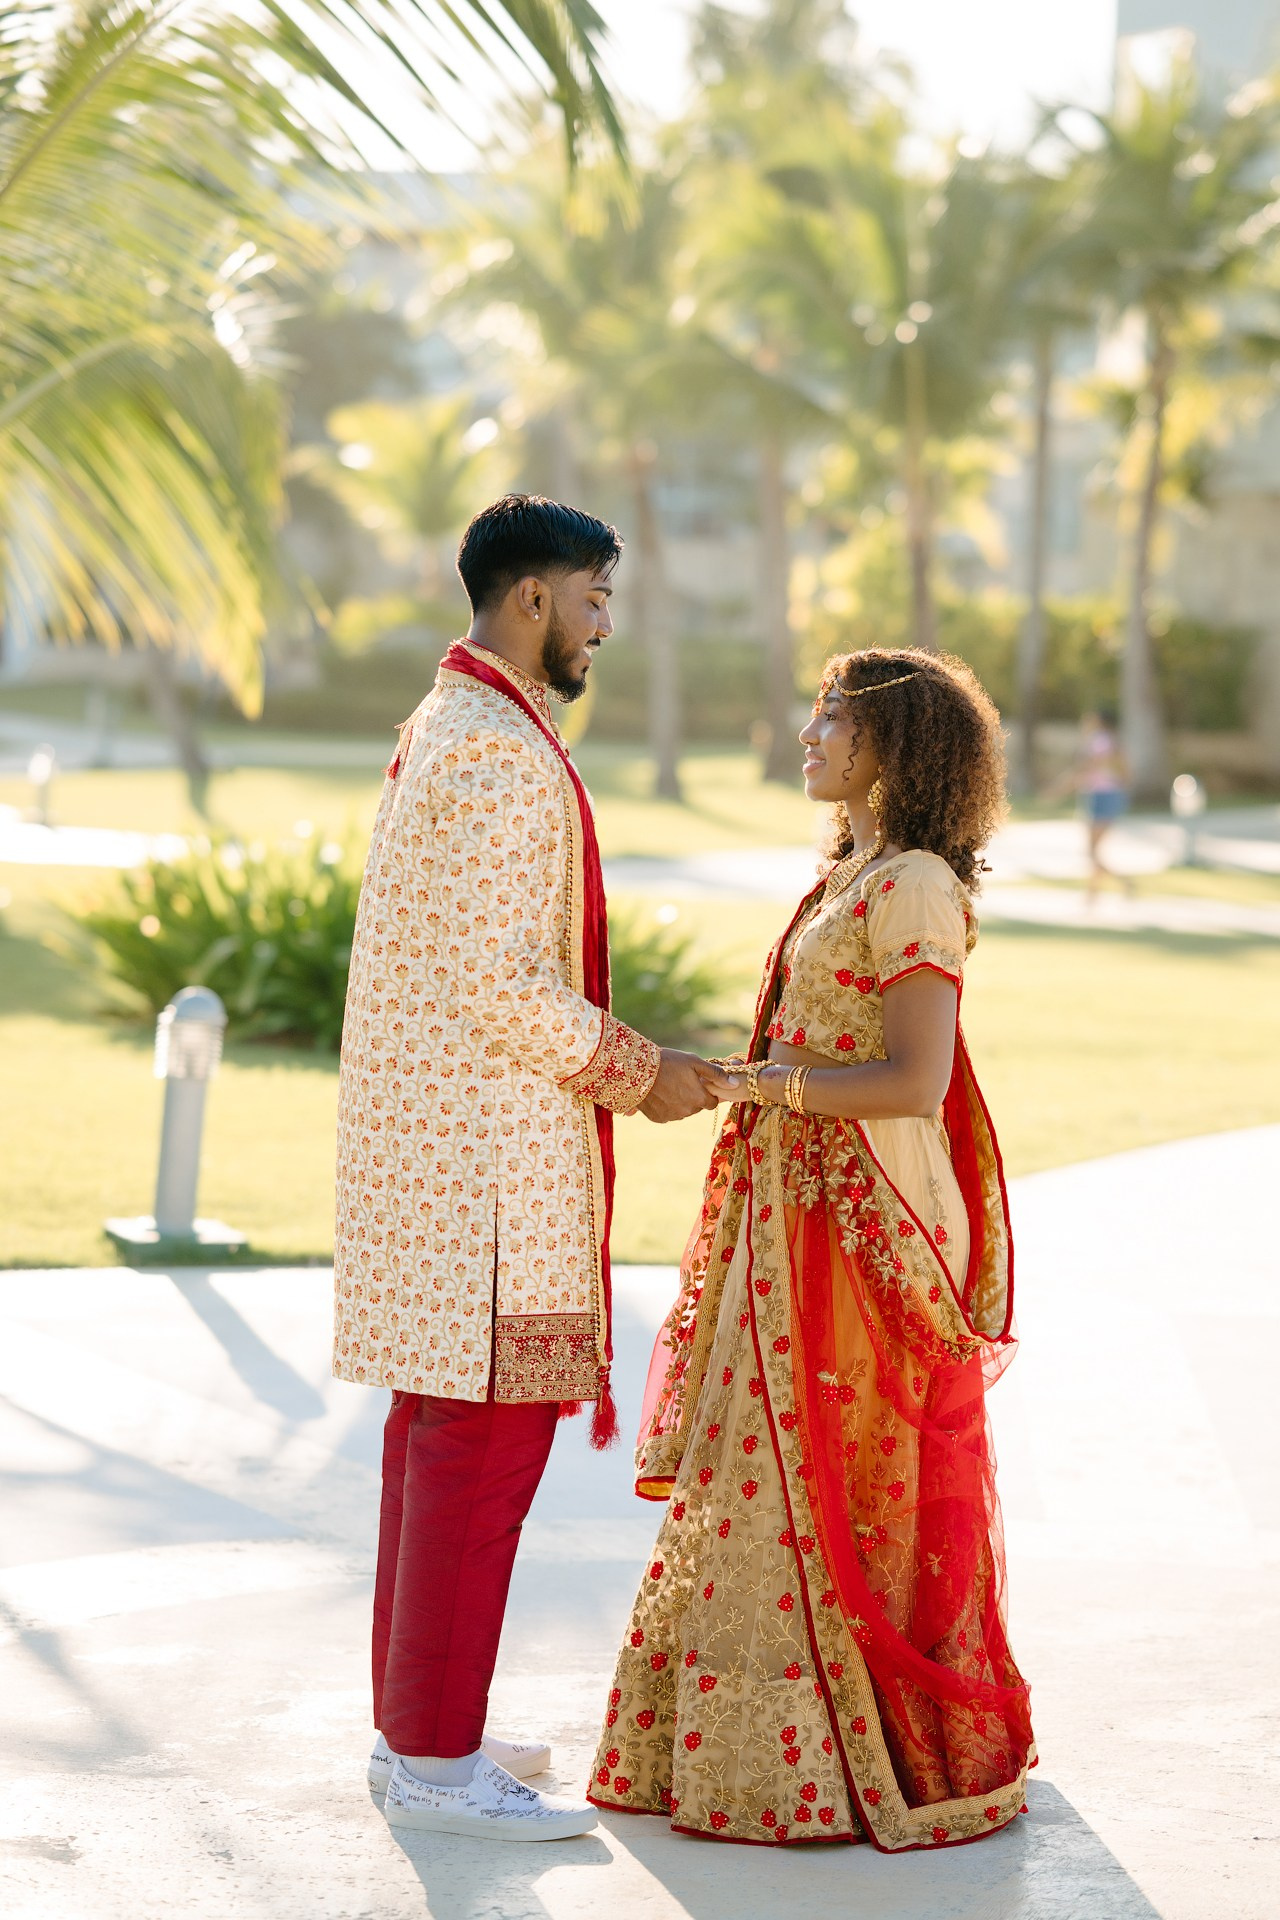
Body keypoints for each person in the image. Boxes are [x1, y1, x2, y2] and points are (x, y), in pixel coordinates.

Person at [589, 647, 1035, 1852]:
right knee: (761, 1473)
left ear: (890, 749)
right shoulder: (853, 873)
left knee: (845, 1482)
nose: (805, 736)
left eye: (830, 719)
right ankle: (744, 1757)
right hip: (792, 1212)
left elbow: (913, 1078)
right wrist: (755, 1090)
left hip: (866, 1224)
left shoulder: (913, 888)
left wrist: (750, 1084)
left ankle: (850, 1763)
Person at [333, 493, 725, 1841]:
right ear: (528, 600)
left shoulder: (451, 726)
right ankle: (436, 1768)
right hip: (485, 1172)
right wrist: (644, 1069)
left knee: (433, 1447)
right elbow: (502, 985)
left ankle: (419, 1732)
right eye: (592, 597)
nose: (604, 624)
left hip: (442, 1158)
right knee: (475, 1457)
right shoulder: (496, 751)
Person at [1072, 707, 1133, 902]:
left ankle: (1124, 883)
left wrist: (1058, 789)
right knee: (1094, 851)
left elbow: (1088, 766)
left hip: (1102, 796)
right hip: (1106, 795)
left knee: (1092, 851)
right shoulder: (1110, 740)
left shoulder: (1100, 741)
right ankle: (1092, 894)